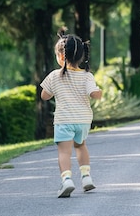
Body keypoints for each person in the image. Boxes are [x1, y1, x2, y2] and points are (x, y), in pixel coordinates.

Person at [40, 28, 103, 198]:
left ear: (61, 56)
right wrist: (98, 93)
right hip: (82, 120)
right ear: (81, 56)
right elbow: (93, 93)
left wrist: (52, 90)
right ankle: (86, 177)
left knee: (64, 152)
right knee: (81, 146)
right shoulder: (87, 76)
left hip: (64, 121)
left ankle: (67, 179)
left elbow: (44, 96)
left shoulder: (54, 76)